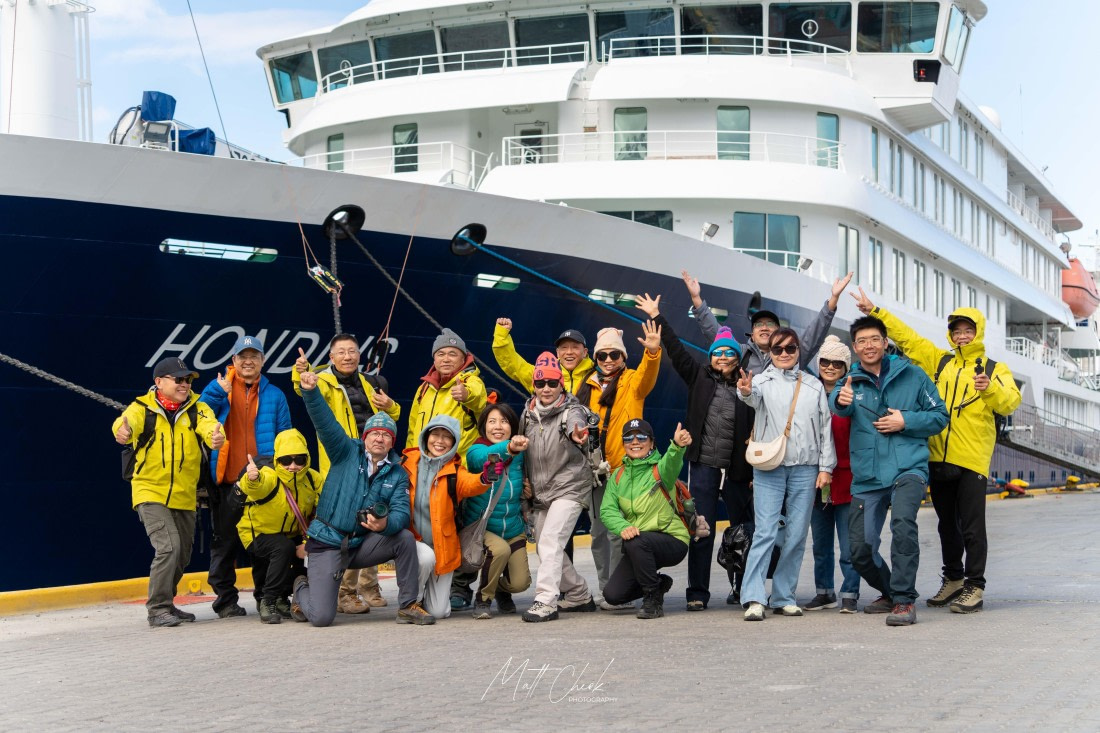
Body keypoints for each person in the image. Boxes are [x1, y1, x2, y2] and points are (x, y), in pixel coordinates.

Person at [682, 269, 851, 604]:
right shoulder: (741, 356)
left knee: (760, 526)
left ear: (783, 339)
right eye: (759, 325)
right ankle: (720, 590)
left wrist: (831, 303)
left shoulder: (792, 361)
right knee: (723, 523)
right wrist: (698, 302)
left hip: (770, 453)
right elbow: (714, 335)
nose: (765, 330)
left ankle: (757, 588)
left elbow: (815, 334)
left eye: (770, 327)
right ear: (753, 333)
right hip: (737, 449)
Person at [853, 291, 1021, 614]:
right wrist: (876, 311)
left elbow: (1010, 401)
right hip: (938, 456)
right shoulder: (940, 361)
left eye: (967, 330)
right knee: (946, 525)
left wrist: (991, 388)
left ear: (978, 332)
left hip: (971, 458)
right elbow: (909, 339)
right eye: (956, 330)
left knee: (972, 525)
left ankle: (975, 586)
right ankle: (954, 579)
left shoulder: (993, 368)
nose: (961, 336)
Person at [634, 293, 753, 611]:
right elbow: (675, 350)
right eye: (719, 353)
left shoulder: (748, 386)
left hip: (739, 470)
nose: (724, 357)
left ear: (737, 357)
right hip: (704, 466)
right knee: (702, 528)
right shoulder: (699, 377)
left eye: (730, 353)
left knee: (742, 531)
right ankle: (698, 592)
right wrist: (658, 316)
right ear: (711, 357)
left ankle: (742, 588)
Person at [830, 315, 948, 626]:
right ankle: (891, 591)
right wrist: (841, 400)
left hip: (909, 467)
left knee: (903, 525)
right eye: (861, 341)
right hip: (867, 474)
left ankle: (904, 601)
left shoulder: (913, 375)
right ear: (855, 348)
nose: (868, 346)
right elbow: (838, 403)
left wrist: (905, 421)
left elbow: (939, 416)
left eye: (874, 339)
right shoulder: (850, 382)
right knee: (860, 548)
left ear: (885, 342)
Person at [295, 370, 432, 627]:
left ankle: (407, 606)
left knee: (403, 537)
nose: (379, 438)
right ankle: (302, 588)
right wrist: (310, 392)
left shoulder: (398, 472)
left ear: (392, 443)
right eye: (374, 433)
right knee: (322, 617)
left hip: (361, 545)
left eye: (386, 435)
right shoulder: (345, 451)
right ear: (364, 437)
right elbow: (325, 423)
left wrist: (385, 525)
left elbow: (402, 512)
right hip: (329, 542)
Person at [292, 333, 401, 615]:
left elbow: (392, 417)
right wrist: (300, 373)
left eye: (352, 351)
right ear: (331, 357)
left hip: (372, 459)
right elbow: (304, 390)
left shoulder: (370, 383)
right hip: (342, 463)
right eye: (341, 352)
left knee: (374, 518)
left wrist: (392, 407)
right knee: (347, 526)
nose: (348, 356)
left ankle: (369, 585)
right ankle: (344, 592)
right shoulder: (324, 382)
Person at [112, 357, 224, 627]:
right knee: (169, 547)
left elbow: (209, 426)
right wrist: (122, 431)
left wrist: (215, 437)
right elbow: (125, 423)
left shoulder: (198, 408)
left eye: (187, 380)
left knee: (182, 553)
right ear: (159, 382)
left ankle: (168, 603)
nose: (184, 384)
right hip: (149, 490)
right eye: (178, 379)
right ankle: (157, 609)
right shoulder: (142, 408)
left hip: (185, 494)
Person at [736, 329, 835, 621]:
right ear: (770, 352)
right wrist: (744, 390)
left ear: (798, 351)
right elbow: (750, 398)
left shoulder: (814, 386)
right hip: (769, 467)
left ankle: (783, 596)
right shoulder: (761, 382)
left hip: (806, 468)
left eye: (790, 348)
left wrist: (826, 468)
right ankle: (753, 597)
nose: (784, 353)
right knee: (765, 532)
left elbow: (824, 429)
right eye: (777, 348)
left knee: (795, 535)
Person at [198, 335, 292, 618]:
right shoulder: (218, 389)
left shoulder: (276, 395)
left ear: (263, 361)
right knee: (224, 544)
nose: (248, 361)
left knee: (263, 542)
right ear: (233, 361)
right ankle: (225, 601)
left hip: (263, 485)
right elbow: (199, 416)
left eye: (254, 356)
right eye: (242, 356)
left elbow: (286, 437)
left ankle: (267, 596)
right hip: (228, 482)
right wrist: (216, 391)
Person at [577, 321, 662, 609]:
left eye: (615, 355)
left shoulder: (632, 382)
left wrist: (652, 353)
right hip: (595, 472)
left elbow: (649, 377)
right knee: (600, 534)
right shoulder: (584, 385)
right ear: (595, 358)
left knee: (620, 533)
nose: (609, 360)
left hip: (623, 470)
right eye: (603, 355)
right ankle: (608, 590)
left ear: (624, 358)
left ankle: (623, 591)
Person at [521, 353, 598, 622]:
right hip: (541, 493)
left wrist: (578, 431)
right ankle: (579, 593)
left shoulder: (571, 410)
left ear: (561, 385)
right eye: (540, 383)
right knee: (545, 547)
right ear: (533, 385)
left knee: (552, 541)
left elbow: (576, 422)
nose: (546, 389)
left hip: (570, 487)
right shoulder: (527, 415)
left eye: (552, 383)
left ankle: (545, 601)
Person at [600, 418, 694, 619]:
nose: (635, 442)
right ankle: (659, 584)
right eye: (629, 438)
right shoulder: (618, 476)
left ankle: (652, 599)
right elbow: (607, 511)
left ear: (651, 442)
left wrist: (677, 446)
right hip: (640, 544)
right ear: (623, 444)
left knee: (636, 542)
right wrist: (623, 526)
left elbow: (672, 462)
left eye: (641, 437)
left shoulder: (660, 470)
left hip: (672, 540)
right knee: (612, 595)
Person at [402, 414, 492, 619]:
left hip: (443, 546)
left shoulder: (455, 472)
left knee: (439, 612)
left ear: (454, 442)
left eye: (446, 437)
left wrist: (486, 477)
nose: (440, 441)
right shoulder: (407, 463)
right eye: (435, 434)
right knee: (425, 559)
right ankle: (410, 602)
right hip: (413, 543)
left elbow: (472, 483)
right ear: (426, 437)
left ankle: (425, 599)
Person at [235, 429, 322, 624]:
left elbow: (324, 509)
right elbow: (257, 487)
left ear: (307, 459)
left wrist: (309, 542)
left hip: (292, 533)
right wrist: (252, 479)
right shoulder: (268, 475)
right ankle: (269, 600)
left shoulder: (312, 479)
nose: (293, 466)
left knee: (311, 550)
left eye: (299, 459)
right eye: (285, 460)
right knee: (283, 548)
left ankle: (284, 597)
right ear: (277, 461)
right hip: (257, 532)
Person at [805, 335, 861, 613]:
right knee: (821, 543)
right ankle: (824, 591)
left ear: (845, 366)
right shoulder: (808, 391)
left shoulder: (852, 393)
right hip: (816, 477)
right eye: (824, 361)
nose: (829, 367)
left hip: (847, 476)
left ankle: (850, 591)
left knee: (849, 544)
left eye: (837, 362)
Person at [463, 404, 532, 619]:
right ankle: (483, 599)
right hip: (483, 527)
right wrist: (509, 448)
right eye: (492, 422)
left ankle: (501, 590)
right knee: (499, 550)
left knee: (521, 583)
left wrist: (528, 490)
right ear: (484, 426)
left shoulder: (522, 456)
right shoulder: (476, 450)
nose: (498, 427)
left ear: (513, 426)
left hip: (513, 526)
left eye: (504, 422)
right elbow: (483, 457)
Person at [407, 328, 487, 456]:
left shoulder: (472, 381)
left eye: (452, 354)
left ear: (463, 359)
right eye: (441, 354)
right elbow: (412, 429)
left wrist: (466, 395)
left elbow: (478, 398)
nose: (446, 359)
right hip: (422, 465)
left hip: (457, 468)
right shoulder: (424, 388)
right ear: (434, 360)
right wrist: (409, 458)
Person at [492, 320, 595, 394]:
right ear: (558, 353)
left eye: (575, 348)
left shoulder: (596, 376)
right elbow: (513, 364)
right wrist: (501, 335)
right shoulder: (541, 374)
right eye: (564, 348)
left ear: (585, 352)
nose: (569, 352)